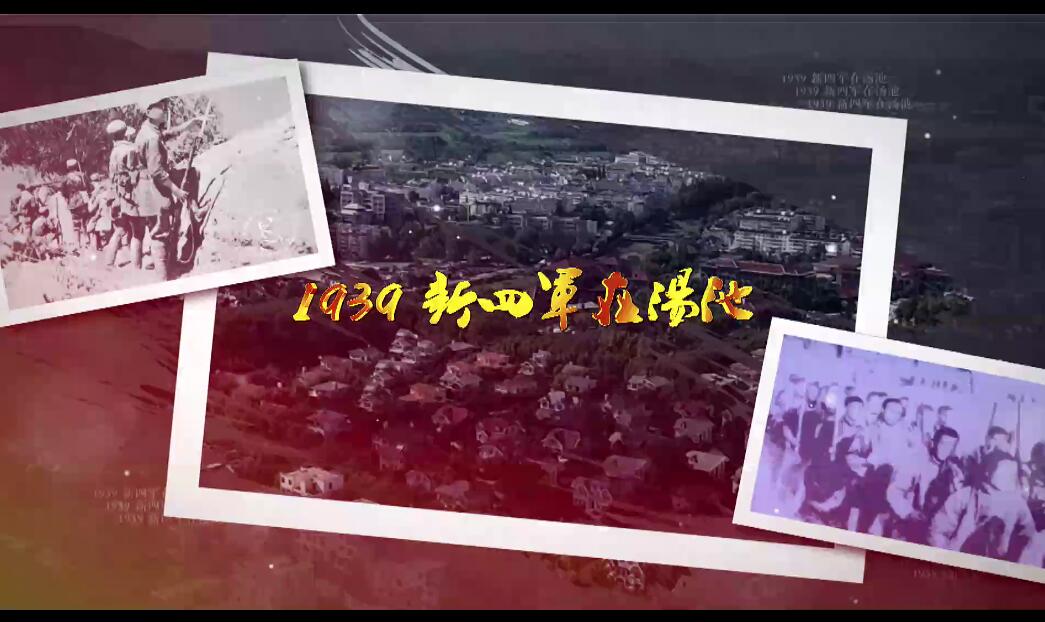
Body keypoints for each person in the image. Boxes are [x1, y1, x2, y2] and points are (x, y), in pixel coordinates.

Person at [132, 97, 201, 279]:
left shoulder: (148, 130)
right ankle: (163, 281)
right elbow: (157, 171)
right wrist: (176, 190)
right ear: (148, 112)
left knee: (157, 230)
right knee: (160, 231)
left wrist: (187, 126)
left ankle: (163, 274)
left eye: (163, 107)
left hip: (147, 188)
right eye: (159, 108)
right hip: (154, 189)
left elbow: (166, 134)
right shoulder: (151, 137)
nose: (164, 110)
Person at [929, 451, 1037, 561]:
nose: (1009, 477)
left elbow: (1029, 535)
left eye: (1011, 474)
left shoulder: (1017, 503)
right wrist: (946, 557)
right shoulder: (964, 496)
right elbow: (937, 530)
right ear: (987, 472)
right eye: (1004, 472)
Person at [102, 118, 138, 267]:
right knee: (137, 231)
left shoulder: (114, 151)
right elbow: (134, 174)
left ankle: (108, 262)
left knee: (120, 229)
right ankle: (137, 266)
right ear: (124, 133)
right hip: (131, 195)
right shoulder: (130, 149)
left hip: (118, 194)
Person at [60, 158, 92, 249]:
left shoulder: (66, 178)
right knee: (85, 220)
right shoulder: (82, 175)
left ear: (68, 167)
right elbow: (89, 187)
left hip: (73, 200)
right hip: (84, 199)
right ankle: (87, 239)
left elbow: (63, 191)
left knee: (76, 223)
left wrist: (67, 198)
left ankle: (77, 243)